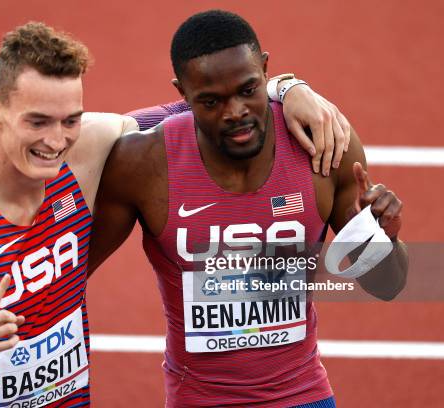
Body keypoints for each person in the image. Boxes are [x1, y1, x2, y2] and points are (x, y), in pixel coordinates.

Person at [0, 21, 351, 408]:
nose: (54, 141)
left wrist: (290, 88)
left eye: (70, 120)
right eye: (36, 121)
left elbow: (213, 104)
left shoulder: (88, 150)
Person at [88, 10, 408, 408]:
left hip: (302, 395)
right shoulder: (144, 165)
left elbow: (387, 285)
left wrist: (384, 237)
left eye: (247, 90)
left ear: (266, 71)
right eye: (211, 101)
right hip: (198, 400)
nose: (234, 111)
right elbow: (72, 277)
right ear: (182, 93)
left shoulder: (323, 148)